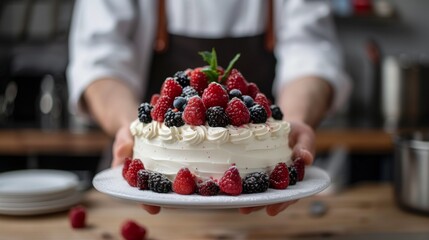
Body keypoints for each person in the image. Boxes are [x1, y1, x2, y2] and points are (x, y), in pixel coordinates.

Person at [67, 0, 351, 216]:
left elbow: (312, 53)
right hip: (145, 208)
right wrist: (130, 129)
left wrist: (293, 121)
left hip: (270, 219)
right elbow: (98, 60)